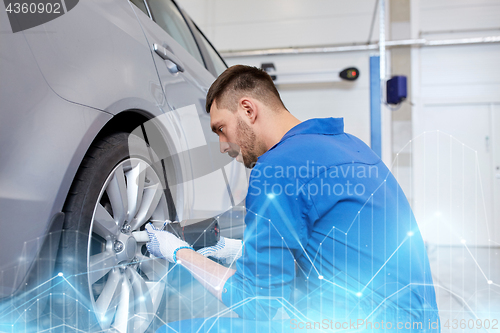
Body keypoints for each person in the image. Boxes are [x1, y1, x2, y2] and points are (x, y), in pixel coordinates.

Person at [147, 65, 440, 332]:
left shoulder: (276, 168)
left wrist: (179, 253)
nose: (223, 146)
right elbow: (331, 245)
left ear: (248, 110)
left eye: (221, 129)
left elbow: (257, 304)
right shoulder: (350, 146)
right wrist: (237, 249)